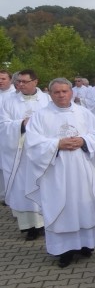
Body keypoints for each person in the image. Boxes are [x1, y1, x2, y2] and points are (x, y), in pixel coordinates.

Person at [23, 78, 95, 268]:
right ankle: (64, 250)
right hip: (56, 171)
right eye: (57, 92)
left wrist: (84, 141)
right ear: (50, 94)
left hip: (81, 168)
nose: (61, 95)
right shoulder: (40, 115)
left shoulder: (83, 112)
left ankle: (86, 244)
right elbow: (32, 143)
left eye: (65, 91)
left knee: (83, 204)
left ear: (72, 92)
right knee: (61, 206)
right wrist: (57, 144)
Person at [0, 69, 51, 240]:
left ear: (35, 82)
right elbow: (2, 124)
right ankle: (29, 227)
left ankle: (46, 222)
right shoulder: (8, 101)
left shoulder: (47, 99)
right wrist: (21, 124)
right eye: (18, 81)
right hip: (20, 153)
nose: (20, 85)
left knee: (42, 185)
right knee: (22, 187)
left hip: (41, 152)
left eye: (24, 81)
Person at [0, 69, 15, 204]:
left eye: (3, 78)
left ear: (10, 80)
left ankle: (11, 195)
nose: (0, 81)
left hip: (10, 136)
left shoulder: (14, 96)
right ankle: (2, 194)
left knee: (9, 166)